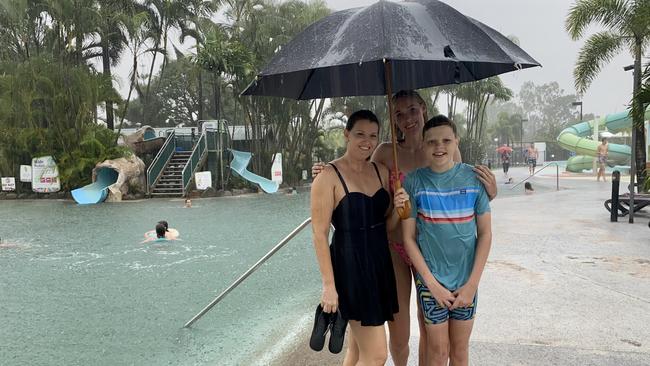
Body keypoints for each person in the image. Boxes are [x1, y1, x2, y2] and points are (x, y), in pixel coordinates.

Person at [312, 90, 497, 366]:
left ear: (423, 108)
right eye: (398, 114)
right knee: (399, 331)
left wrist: (491, 193)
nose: (407, 118)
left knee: (429, 328)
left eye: (412, 110)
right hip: (395, 248)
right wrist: (326, 170)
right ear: (393, 119)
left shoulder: (442, 146)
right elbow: (358, 171)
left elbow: (459, 192)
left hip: (431, 250)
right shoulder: (386, 152)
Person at [395, 115, 492, 366]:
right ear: (424, 145)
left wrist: (472, 284)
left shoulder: (473, 179)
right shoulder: (413, 183)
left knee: (460, 352)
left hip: (466, 281)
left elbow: (485, 234)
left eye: (446, 140)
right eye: (432, 142)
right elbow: (408, 238)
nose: (439, 147)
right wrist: (431, 284)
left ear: (456, 141)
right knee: (437, 352)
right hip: (431, 282)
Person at [311, 110, 399, 366]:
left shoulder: (381, 171)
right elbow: (319, 234)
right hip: (351, 268)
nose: (367, 141)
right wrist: (329, 285)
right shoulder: (328, 176)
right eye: (360, 134)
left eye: (373, 135)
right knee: (377, 355)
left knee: (358, 351)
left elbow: (388, 225)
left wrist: (401, 209)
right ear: (346, 134)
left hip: (379, 265)